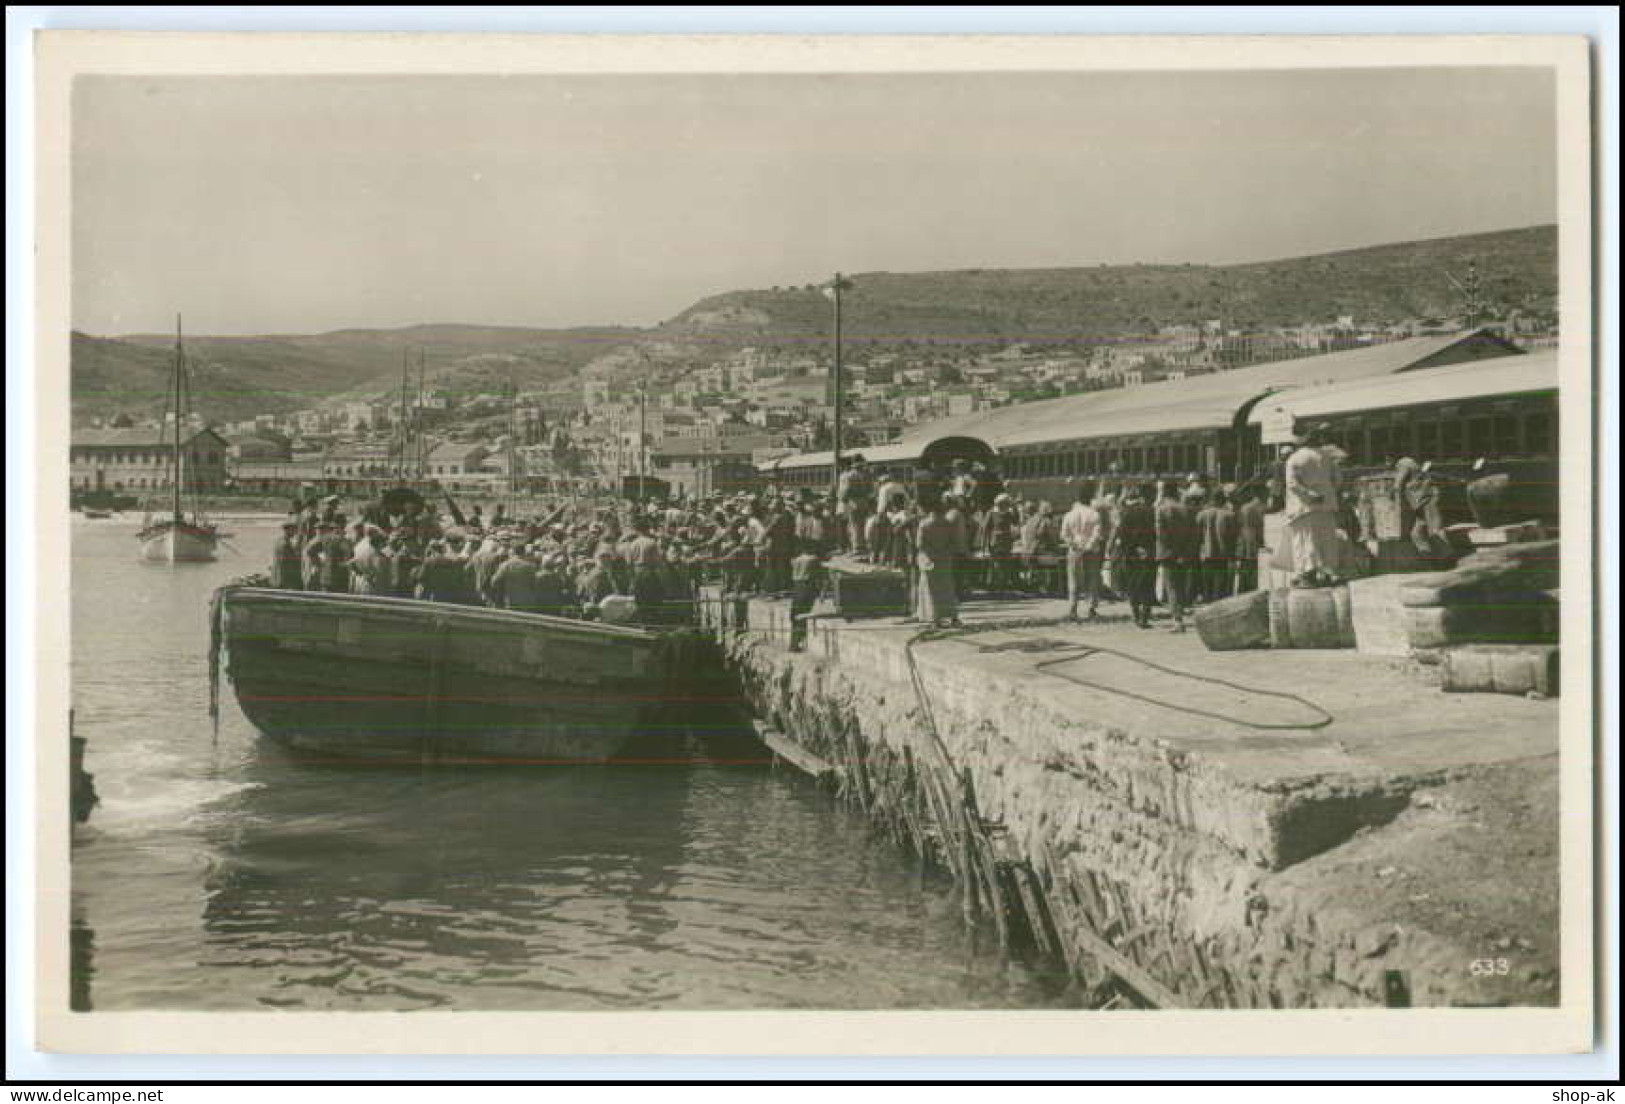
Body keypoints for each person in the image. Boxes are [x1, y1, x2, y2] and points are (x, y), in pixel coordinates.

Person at [1283, 424, 1342, 587]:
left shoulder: (1294, 458)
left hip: (1304, 507)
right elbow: (1337, 479)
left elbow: (1292, 484)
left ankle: (1307, 575)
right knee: (1327, 540)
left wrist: (1310, 494)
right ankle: (1330, 573)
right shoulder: (1327, 457)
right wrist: (1327, 494)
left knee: (1305, 541)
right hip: (1326, 505)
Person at [1111, 483, 1158, 629]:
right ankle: (1145, 616)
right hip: (1149, 551)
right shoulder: (1152, 512)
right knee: (1148, 583)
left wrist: (1129, 548)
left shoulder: (1126, 512)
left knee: (1133, 584)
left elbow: (1122, 534)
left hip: (1131, 553)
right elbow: (1156, 533)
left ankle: (1136, 615)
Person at [1155, 485, 1200, 632]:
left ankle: (1177, 619)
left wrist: (1171, 551)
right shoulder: (1187, 509)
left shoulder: (1161, 509)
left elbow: (1161, 534)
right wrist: (1185, 551)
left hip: (1168, 553)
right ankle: (1180, 613)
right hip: (1184, 553)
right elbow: (1193, 534)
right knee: (1181, 585)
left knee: (1171, 586)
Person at [1061, 481, 1104, 621]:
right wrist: (1089, 546)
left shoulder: (1069, 515)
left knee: (1073, 580)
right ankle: (1091, 609)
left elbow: (1064, 534)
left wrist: (1073, 544)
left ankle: (1073, 609)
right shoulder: (1095, 514)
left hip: (1074, 550)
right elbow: (1096, 535)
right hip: (1091, 551)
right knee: (1092, 579)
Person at [915, 501, 961, 627]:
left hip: (930, 559)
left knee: (931, 589)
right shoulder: (948, 524)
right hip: (945, 559)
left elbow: (920, 544)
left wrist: (932, 553)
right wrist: (944, 552)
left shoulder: (924, 524)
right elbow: (954, 542)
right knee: (947, 588)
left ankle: (934, 618)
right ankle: (953, 616)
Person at [1196, 488, 1239, 602]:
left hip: (1206, 553)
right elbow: (1233, 536)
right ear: (1223, 500)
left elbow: (1197, 535)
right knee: (1220, 585)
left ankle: (1207, 605)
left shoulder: (1202, 514)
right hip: (1222, 554)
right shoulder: (1229, 515)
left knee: (1207, 584)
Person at [788, 538, 825, 653]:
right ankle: (799, 642)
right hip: (806, 586)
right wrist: (820, 592)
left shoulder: (795, 560)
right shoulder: (813, 559)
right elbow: (818, 576)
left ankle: (793, 643)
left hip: (796, 587)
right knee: (803, 615)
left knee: (795, 615)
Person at [837, 455, 875, 556]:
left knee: (855, 526)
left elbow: (846, 491)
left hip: (854, 503)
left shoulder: (850, 475)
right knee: (863, 525)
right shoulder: (868, 475)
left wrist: (843, 499)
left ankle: (857, 548)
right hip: (865, 502)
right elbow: (871, 490)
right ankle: (864, 546)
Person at [1233, 485, 1266, 594]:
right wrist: (1261, 541)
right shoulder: (1257, 507)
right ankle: (1250, 589)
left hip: (1243, 538)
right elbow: (1259, 526)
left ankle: (1243, 589)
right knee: (1251, 565)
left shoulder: (1244, 507)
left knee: (1244, 565)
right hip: (1252, 538)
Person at [269, 521, 304, 590]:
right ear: (287, 530)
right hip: (285, 577)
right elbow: (290, 561)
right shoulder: (285, 544)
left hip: (278, 575)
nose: (295, 532)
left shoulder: (279, 541)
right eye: (293, 530)